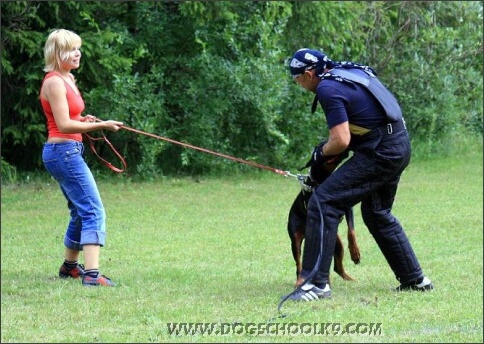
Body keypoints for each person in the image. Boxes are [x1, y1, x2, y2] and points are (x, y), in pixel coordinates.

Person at [285, 48, 433, 301]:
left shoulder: (327, 89)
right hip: (397, 143)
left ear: (309, 74)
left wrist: (321, 153)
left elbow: (341, 140)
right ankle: (415, 280)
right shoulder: (348, 72)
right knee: (377, 213)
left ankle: (315, 284)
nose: (298, 84)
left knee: (324, 201)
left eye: (297, 79)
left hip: (380, 150)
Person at [39, 29, 123, 287]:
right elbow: (63, 125)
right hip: (62, 151)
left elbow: (69, 118)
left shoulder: (68, 78)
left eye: (78, 48)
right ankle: (92, 275)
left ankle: (70, 268)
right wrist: (101, 125)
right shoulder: (53, 81)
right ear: (57, 53)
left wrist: (83, 120)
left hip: (69, 151)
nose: (77, 53)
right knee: (93, 209)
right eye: (71, 49)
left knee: (79, 211)